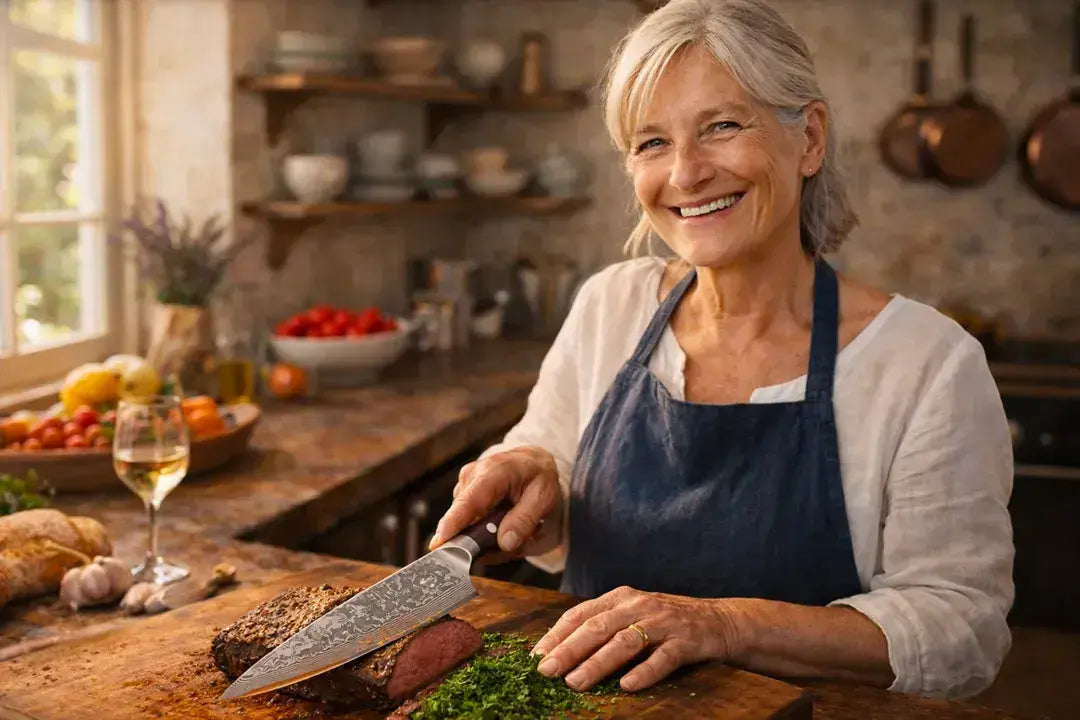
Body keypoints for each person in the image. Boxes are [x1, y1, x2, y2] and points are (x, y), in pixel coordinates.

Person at [429, 0, 1013, 701]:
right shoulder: (611, 306)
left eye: (722, 126)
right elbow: (550, 465)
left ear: (810, 140)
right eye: (651, 143)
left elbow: (961, 628)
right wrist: (531, 478)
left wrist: (726, 626)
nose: (685, 174)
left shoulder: (926, 364)